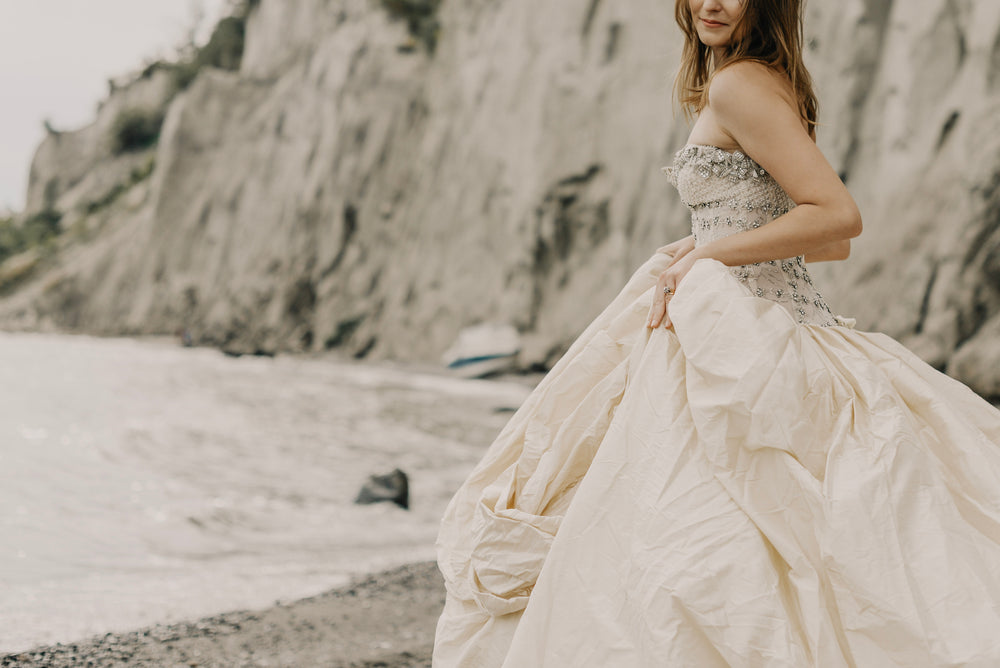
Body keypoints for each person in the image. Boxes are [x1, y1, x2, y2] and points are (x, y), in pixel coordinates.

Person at [433, 0, 1000, 665]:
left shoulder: (740, 84)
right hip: (745, 324)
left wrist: (708, 256)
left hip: (746, 335)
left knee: (691, 535)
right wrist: (702, 245)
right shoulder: (763, 79)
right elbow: (811, 243)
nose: (712, 2)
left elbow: (838, 219)